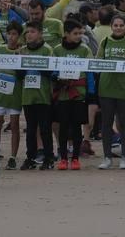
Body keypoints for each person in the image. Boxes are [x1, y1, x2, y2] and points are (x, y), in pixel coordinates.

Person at [97, 12, 125, 169]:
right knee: (106, 123)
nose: (118, 28)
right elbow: (98, 61)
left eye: (121, 25)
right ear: (111, 27)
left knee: (124, 123)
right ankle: (107, 157)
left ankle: (124, 157)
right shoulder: (105, 41)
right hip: (106, 87)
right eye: (116, 25)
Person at [53, 18, 91, 169]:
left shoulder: (84, 50)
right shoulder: (57, 49)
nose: (79, 36)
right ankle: (63, 158)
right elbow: (52, 69)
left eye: (80, 33)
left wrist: (91, 93)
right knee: (63, 127)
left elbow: (89, 72)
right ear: (66, 34)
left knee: (76, 127)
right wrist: (58, 78)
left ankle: (75, 158)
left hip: (79, 94)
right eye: (75, 33)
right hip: (62, 94)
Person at [18, 21, 54, 170]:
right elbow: (19, 75)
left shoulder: (47, 50)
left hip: (43, 95)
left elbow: (51, 72)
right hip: (28, 95)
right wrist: (21, 61)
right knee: (30, 129)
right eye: (27, 32)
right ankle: (30, 157)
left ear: (39, 33)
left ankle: (48, 157)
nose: (28, 34)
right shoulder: (22, 51)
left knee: (45, 128)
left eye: (32, 31)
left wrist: (36, 63)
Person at [0, 20, 24, 171]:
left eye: (14, 34)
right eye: (9, 33)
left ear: (19, 36)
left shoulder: (22, 52)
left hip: (15, 94)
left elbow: (22, 74)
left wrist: (19, 57)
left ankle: (12, 157)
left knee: (14, 126)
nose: (11, 37)